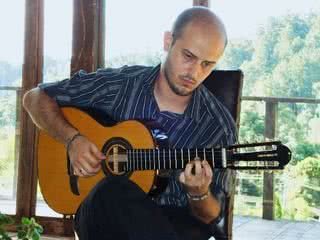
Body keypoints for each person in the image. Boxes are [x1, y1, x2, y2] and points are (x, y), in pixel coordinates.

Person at [23, 6, 237, 240]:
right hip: (103, 212)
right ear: (168, 41)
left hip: (172, 223)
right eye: (188, 56)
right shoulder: (120, 86)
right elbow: (34, 98)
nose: (194, 73)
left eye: (207, 64)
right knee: (111, 190)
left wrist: (199, 194)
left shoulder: (218, 126)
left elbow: (212, 216)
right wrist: (72, 139)